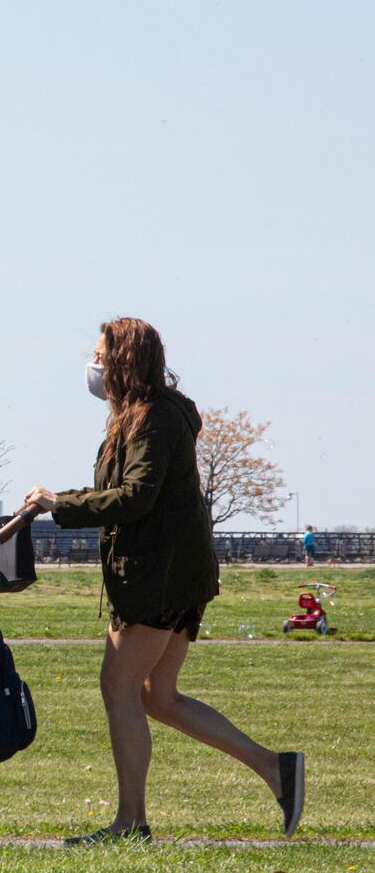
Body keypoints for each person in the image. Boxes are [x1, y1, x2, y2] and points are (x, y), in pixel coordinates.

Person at [24, 317, 303, 844]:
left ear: (124, 361)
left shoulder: (153, 418)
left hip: (159, 575)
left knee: (120, 686)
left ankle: (131, 823)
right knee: (157, 694)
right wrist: (58, 499)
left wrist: (60, 506)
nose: (93, 366)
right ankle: (276, 769)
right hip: (175, 571)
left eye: (101, 356)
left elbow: (136, 496)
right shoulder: (141, 417)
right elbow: (128, 489)